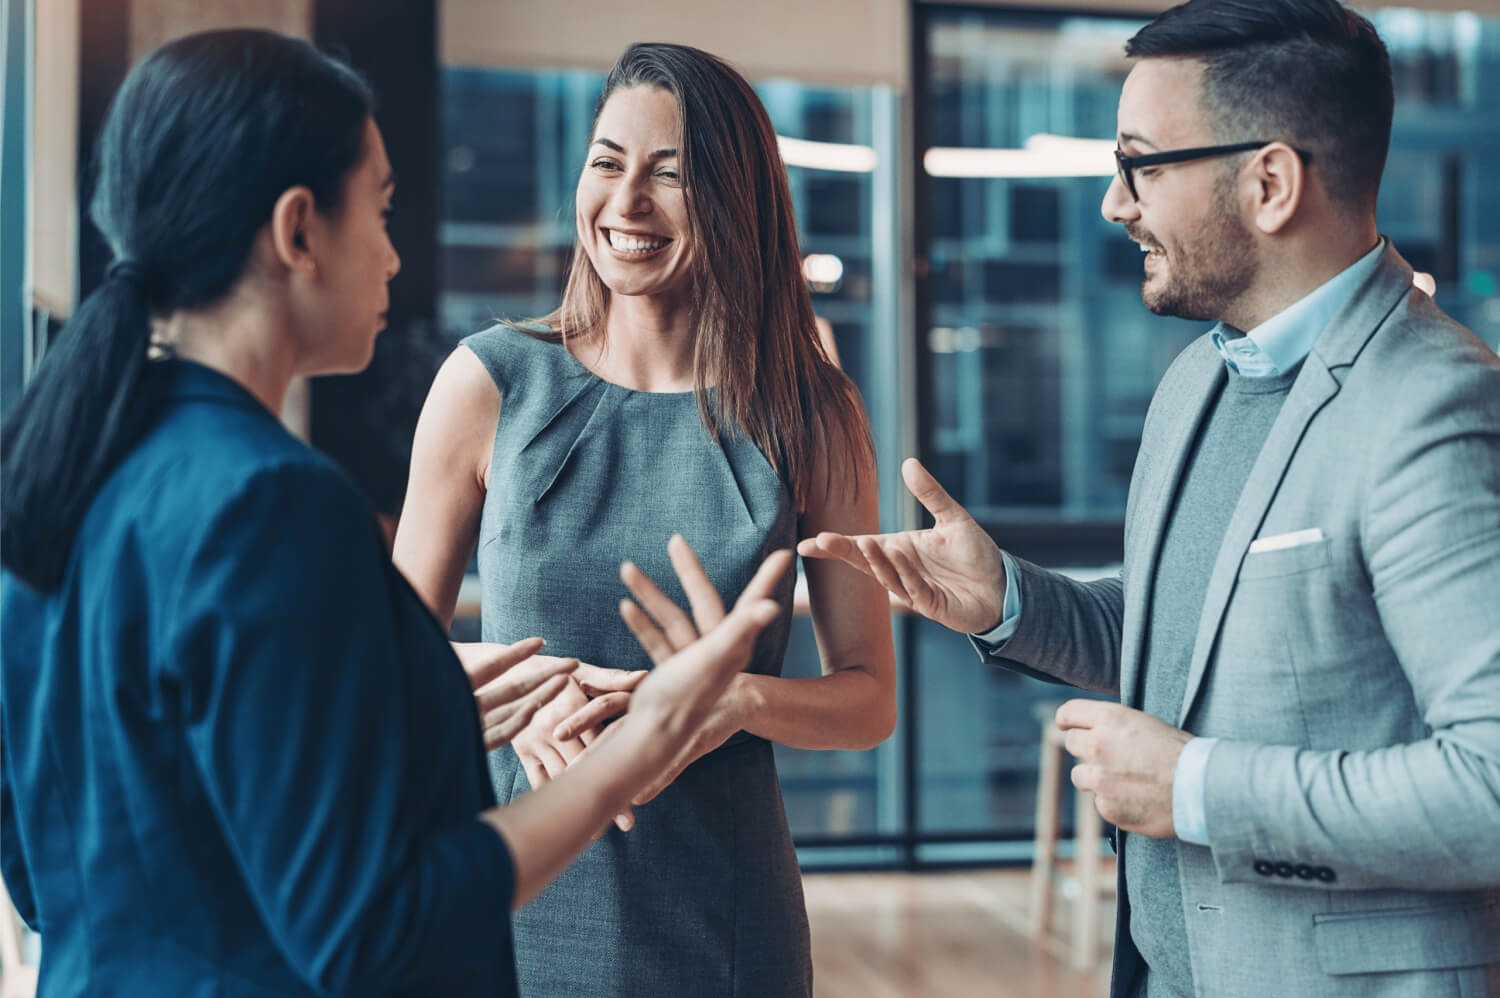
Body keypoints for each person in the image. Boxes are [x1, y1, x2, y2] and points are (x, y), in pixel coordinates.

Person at [0, 29, 794, 998]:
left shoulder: (63, 461)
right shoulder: (272, 501)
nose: (392, 254)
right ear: (300, 232)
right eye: (378, 210)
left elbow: (43, 863)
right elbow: (375, 929)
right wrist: (642, 742)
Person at [800, 2, 1500, 996]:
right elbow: (1195, 636)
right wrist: (1007, 597)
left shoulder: (1435, 406)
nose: (1112, 203)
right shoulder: (1195, 385)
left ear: (1269, 182)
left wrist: (1196, 788)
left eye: (1141, 163)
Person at [393, 41, 896, 997]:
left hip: (723, 917)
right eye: (607, 162)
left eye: (670, 176)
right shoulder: (488, 383)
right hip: (508, 895)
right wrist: (505, 687)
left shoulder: (812, 412)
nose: (625, 204)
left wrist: (733, 700)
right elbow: (382, 673)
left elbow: (869, 697)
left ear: (736, 200)